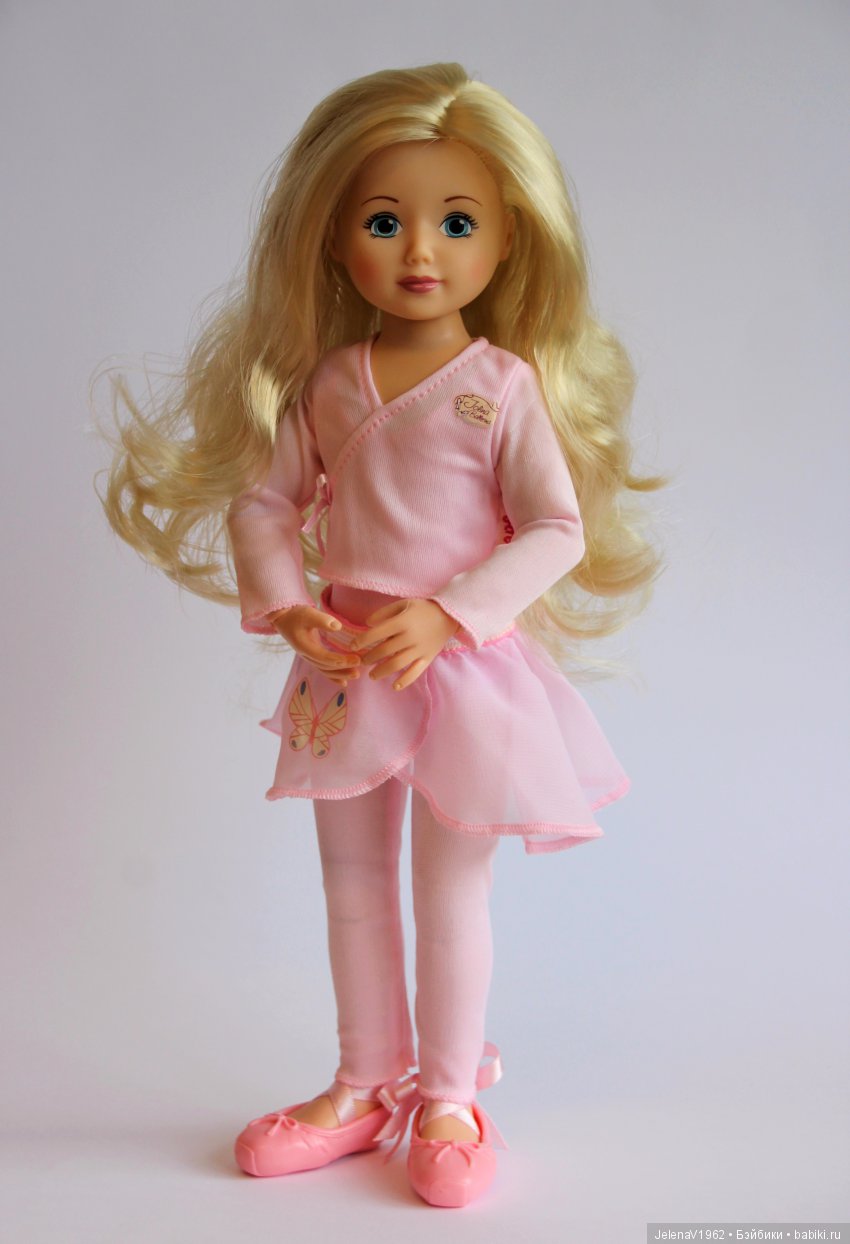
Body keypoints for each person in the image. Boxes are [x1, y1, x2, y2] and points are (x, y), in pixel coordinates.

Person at [98, 62, 664, 1209]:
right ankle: (364, 1080)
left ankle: (447, 1095)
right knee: (351, 880)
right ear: (332, 238)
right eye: (382, 221)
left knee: (450, 889)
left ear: (508, 241)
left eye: (456, 222)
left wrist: (452, 608)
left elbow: (555, 526)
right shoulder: (327, 384)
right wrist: (289, 601)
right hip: (348, 665)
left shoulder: (502, 386)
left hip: (461, 671)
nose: (419, 251)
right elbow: (266, 504)